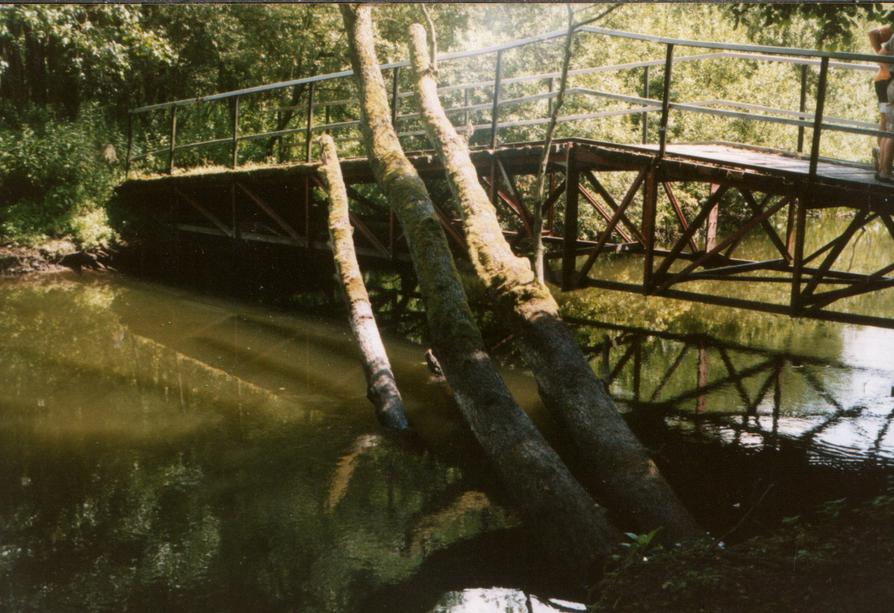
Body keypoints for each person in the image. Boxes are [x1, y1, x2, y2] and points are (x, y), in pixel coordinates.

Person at [869, 25, 894, 181]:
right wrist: (887, 70)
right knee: (889, 126)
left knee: (888, 125)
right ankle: (884, 169)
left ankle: (882, 164)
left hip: (888, 83)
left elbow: (882, 54)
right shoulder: (890, 29)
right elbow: (872, 33)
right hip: (885, 82)